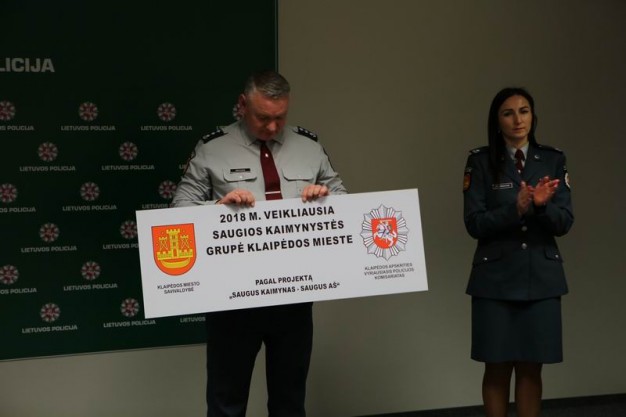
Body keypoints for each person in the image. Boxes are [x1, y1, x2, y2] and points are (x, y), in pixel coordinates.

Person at [171, 70, 347, 417]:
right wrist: (218, 208)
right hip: (233, 300)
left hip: (294, 294)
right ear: (242, 105)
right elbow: (179, 211)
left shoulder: (309, 146)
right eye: (263, 117)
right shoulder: (212, 148)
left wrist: (325, 197)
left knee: (289, 401)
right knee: (226, 402)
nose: (272, 127)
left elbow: (344, 199)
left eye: (280, 117)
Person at [462, 87, 573, 417]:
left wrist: (540, 207)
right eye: (508, 113)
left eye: (524, 111)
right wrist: (516, 209)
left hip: (540, 278)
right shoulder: (480, 162)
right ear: (497, 121)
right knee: (496, 367)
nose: (517, 119)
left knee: (531, 368)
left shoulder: (552, 159)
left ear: (533, 117)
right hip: (495, 280)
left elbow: (564, 222)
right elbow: (474, 223)